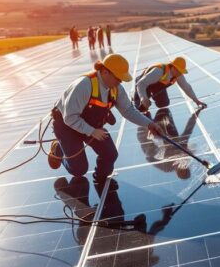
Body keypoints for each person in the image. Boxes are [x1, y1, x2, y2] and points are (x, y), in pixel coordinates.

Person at [48, 53, 163, 188]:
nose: (120, 82)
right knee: (78, 170)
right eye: (118, 78)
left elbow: (128, 110)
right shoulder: (84, 85)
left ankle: (100, 181)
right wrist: (91, 131)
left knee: (110, 154)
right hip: (67, 126)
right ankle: (58, 150)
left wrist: (149, 123)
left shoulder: (116, 88)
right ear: (104, 71)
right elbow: (69, 117)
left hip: (90, 126)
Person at [132, 56, 206, 113]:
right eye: (178, 70)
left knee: (164, 103)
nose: (180, 73)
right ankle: (134, 98)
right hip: (144, 84)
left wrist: (196, 101)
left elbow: (187, 88)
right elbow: (141, 84)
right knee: (140, 109)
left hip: (156, 87)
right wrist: (143, 98)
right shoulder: (159, 71)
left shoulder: (178, 75)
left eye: (181, 71)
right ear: (173, 67)